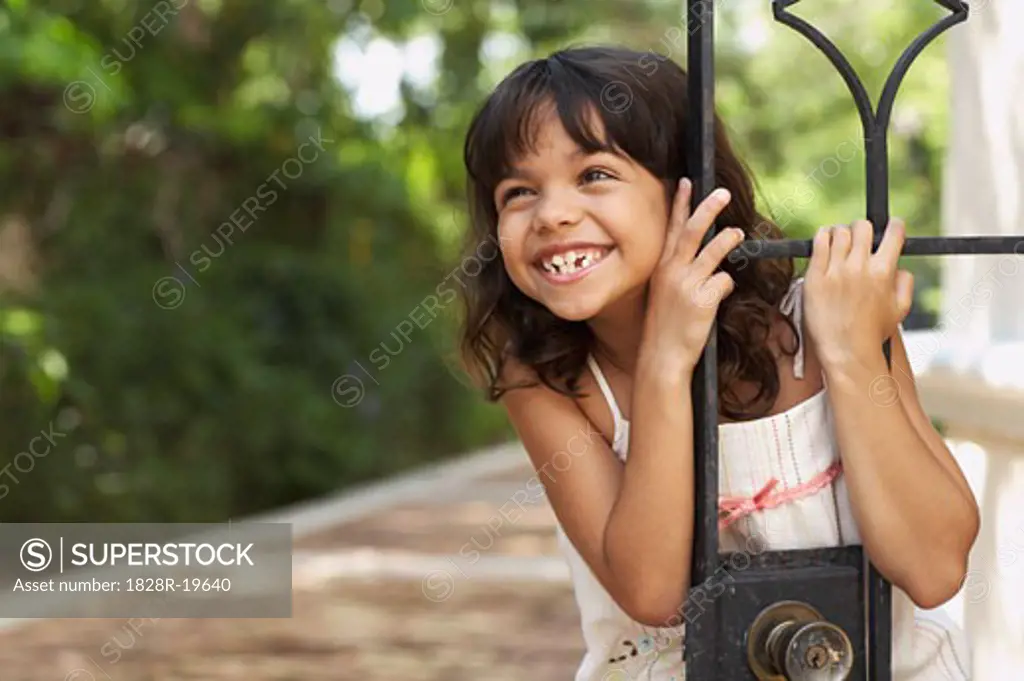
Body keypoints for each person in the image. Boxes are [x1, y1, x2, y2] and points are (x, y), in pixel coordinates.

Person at [454, 45, 978, 681]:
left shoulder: (823, 323)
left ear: (688, 189)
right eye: (518, 192)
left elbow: (935, 568)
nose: (553, 214)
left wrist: (850, 352)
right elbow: (654, 595)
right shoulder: (547, 381)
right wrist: (666, 362)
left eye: (593, 174)